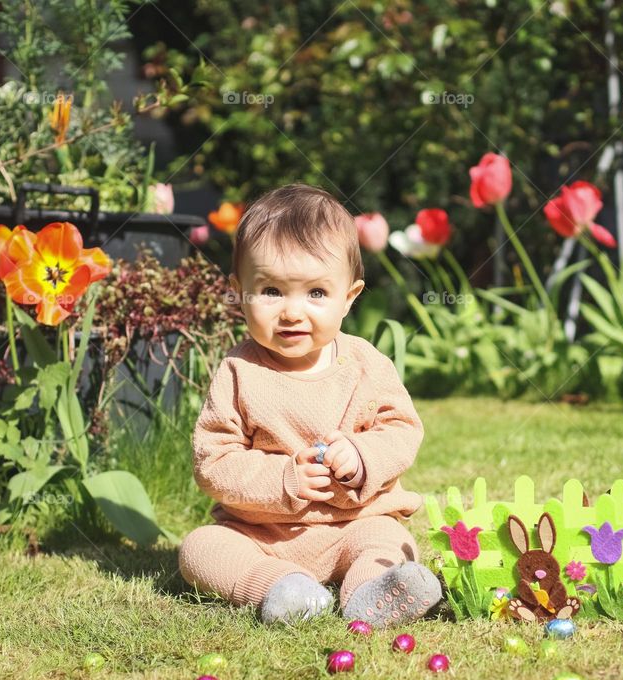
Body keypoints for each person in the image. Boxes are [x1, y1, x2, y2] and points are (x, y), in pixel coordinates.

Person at [179, 184, 441, 627]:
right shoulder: (238, 372)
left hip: (354, 522)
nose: (292, 312)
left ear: (350, 296)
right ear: (240, 292)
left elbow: (401, 429)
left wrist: (363, 457)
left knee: (389, 540)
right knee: (201, 549)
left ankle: (371, 592)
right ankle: (283, 588)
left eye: (316, 293)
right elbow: (213, 461)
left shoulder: (364, 364)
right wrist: (284, 478)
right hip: (261, 533)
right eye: (271, 291)